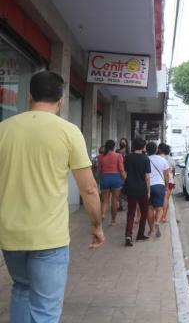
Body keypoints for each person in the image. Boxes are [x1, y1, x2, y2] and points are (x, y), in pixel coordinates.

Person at [0, 71, 104, 323]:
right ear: (61, 98)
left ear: (29, 95)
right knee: (46, 308)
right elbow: (89, 188)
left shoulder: (3, 129)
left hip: (10, 234)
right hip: (49, 238)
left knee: (22, 289)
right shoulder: (68, 132)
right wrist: (97, 225)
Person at [122, 137, 151, 246]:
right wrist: (148, 191)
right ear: (143, 146)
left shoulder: (128, 158)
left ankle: (128, 235)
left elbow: (124, 173)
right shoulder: (145, 159)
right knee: (144, 212)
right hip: (142, 189)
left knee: (131, 212)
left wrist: (128, 181)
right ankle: (140, 234)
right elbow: (147, 177)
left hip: (131, 189)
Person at [98, 139, 125, 226]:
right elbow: (121, 169)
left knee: (105, 201)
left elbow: (99, 170)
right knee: (114, 200)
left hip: (105, 178)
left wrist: (99, 180)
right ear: (114, 147)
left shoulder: (101, 157)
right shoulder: (118, 156)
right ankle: (113, 221)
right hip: (116, 179)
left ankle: (102, 214)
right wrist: (125, 178)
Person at [146, 141, 170, 238]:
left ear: (146, 150)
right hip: (159, 185)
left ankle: (151, 229)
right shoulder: (162, 160)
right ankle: (157, 222)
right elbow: (166, 175)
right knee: (159, 208)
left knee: (150, 208)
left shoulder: (145, 159)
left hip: (147, 186)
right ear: (156, 149)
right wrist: (166, 185)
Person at [159, 143, 176, 223]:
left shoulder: (158, 158)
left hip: (160, 181)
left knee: (160, 199)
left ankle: (159, 216)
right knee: (166, 199)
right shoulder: (170, 159)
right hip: (169, 181)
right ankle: (163, 217)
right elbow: (173, 171)